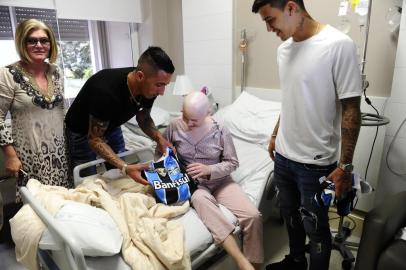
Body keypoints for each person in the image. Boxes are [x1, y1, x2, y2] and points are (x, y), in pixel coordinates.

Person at [252, 1, 362, 270]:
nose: (268, 29)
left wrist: (345, 166)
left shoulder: (339, 45)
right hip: (284, 157)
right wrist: (276, 134)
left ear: (291, 7)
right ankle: (296, 261)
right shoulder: (283, 50)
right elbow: (290, 98)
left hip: (315, 164)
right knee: (290, 217)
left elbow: (351, 108)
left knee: (315, 227)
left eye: (271, 19)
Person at [161, 92, 263, 270]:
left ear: (207, 113)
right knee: (200, 199)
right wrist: (171, 163)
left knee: (252, 216)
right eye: (186, 117)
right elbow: (161, 155)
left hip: (221, 182)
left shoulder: (220, 128)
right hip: (196, 186)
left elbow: (233, 163)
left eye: (194, 120)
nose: (188, 124)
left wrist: (210, 170)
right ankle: (241, 261)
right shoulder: (173, 127)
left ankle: (254, 264)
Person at [0, 19, 71, 241]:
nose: (39, 45)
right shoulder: (8, 74)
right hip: (30, 156)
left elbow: (62, 110)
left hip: (60, 153)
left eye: (44, 40)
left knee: (62, 208)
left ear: (51, 44)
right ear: (23, 42)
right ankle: (38, 257)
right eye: (32, 41)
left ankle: (63, 250)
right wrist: (10, 156)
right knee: (35, 214)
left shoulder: (56, 72)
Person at [65, 46, 174, 185]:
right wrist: (125, 167)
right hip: (81, 130)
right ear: (140, 76)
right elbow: (94, 139)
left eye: (165, 85)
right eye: (159, 85)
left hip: (112, 124)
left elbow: (144, 117)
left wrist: (160, 139)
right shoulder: (106, 90)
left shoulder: (148, 87)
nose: (162, 92)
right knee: (88, 179)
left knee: (119, 174)